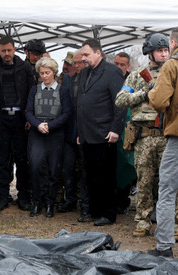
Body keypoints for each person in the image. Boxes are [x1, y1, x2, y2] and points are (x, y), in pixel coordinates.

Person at [115, 33, 178, 240]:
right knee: (144, 182)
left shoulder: (174, 73)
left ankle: (173, 225)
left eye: (165, 50)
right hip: (144, 137)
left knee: (170, 183)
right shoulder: (137, 76)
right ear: (149, 53)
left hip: (168, 136)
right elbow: (121, 99)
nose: (163, 54)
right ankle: (143, 221)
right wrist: (143, 94)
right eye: (159, 51)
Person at [147, 26, 178, 258]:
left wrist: (151, 92)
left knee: (166, 191)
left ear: (173, 44)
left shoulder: (172, 66)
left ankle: (164, 248)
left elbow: (159, 102)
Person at [77, 38, 126, 226]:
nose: (83, 58)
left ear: (99, 53)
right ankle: (95, 210)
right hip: (87, 133)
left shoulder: (112, 72)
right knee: (91, 175)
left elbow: (120, 103)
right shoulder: (84, 73)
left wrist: (115, 129)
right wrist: (80, 131)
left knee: (106, 176)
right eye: (82, 55)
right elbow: (81, 103)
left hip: (105, 133)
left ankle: (108, 213)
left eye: (87, 55)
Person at [0, 36, 34, 211]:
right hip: (1, 119)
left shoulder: (24, 67)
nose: (6, 53)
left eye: (9, 50)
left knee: (22, 159)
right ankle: (2, 197)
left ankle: (23, 197)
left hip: (20, 119)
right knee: (1, 160)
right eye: (3, 50)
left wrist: (29, 117)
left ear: (14, 50)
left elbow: (31, 93)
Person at [25, 57, 72, 218]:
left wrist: (50, 126)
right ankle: (37, 202)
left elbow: (66, 113)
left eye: (47, 73)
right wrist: (37, 125)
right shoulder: (34, 90)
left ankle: (50, 203)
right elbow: (28, 111)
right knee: (36, 167)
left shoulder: (63, 90)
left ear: (54, 72)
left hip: (55, 133)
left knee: (53, 169)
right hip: (37, 133)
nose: (44, 76)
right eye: (41, 73)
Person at [58, 51, 90, 221]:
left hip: (86, 132)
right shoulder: (68, 80)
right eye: (75, 63)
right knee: (67, 168)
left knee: (85, 170)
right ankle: (70, 200)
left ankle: (85, 205)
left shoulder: (91, 79)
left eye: (80, 62)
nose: (77, 65)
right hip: (69, 132)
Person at [113, 52, 137, 214]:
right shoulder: (109, 79)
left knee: (127, 163)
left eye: (123, 64)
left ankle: (123, 199)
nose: (119, 67)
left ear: (127, 66)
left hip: (128, 129)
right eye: (117, 64)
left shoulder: (133, 80)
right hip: (111, 129)